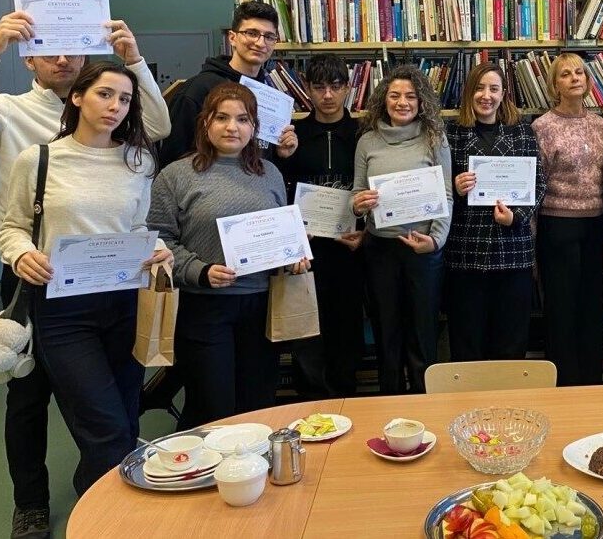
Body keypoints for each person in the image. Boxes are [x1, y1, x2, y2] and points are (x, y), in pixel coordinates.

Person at [0, 11, 170, 539]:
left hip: (123, 300)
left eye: (123, 99)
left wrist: (155, 249)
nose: (114, 107)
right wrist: (20, 252)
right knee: (80, 417)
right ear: (77, 98)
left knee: (122, 418)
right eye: (104, 96)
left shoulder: (137, 160)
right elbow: (14, 225)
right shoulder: (32, 151)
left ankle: (101, 498)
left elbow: (139, 225)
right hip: (55, 301)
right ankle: (48, 507)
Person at [148, 82, 306, 429]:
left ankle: (253, 478)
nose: (232, 127)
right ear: (206, 123)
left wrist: (293, 257)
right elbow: (158, 240)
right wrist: (200, 271)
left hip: (262, 306)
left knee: (257, 405)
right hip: (204, 308)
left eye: (243, 119)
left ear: (254, 127)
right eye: (222, 118)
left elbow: (282, 234)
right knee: (212, 408)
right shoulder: (176, 175)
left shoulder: (271, 174)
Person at [351, 65, 451, 394]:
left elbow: (446, 194)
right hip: (380, 250)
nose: (402, 102)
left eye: (410, 96)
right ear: (384, 100)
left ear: (421, 102)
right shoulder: (367, 141)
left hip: (422, 251)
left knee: (422, 336)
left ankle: (425, 408)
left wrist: (435, 241)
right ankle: (390, 408)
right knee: (386, 334)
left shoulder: (434, 138)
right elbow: (355, 193)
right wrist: (358, 204)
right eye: (395, 95)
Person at [274, 54, 365, 398]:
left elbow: (377, 189)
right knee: (307, 338)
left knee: (347, 336)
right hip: (304, 255)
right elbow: (273, 191)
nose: (328, 95)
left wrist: (366, 233)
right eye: (319, 86)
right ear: (307, 90)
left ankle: (347, 405)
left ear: (348, 88)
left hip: (350, 253)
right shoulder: (291, 137)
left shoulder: (363, 135)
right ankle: (310, 411)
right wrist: (282, 159)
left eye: (336, 86)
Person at [446, 62, 546, 361]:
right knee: (467, 341)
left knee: (511, 341)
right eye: (479, 88)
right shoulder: (449, 134)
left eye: (493, 88)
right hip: (466, 252)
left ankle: (507, 404)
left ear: (504, 94)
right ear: (468, 93)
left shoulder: (522, 133)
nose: (485, 95)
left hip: (513, 251)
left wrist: (516, 217)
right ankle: (467, 404)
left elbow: (538, 184)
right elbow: (435, 187)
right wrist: (454, 186)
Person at [532, 53, 603, 386]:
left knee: (591, 311)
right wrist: (533, 244)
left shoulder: (600, 125)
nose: (574, 78)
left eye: (579, 72)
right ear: (555, 84)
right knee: (561, 312)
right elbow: (535, 189)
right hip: (556, 228)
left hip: (594, 227)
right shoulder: (542, 127)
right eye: (565, 74)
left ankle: (591, 386)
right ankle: (564, 388)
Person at [158, 1, 297, 164]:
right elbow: (172, 159)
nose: (260, 43)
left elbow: (263, 154)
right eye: (252, 33)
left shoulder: (270, 93)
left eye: (269, 36)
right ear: (232, 38)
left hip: (256, 186)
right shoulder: (198, 89)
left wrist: (280, 153)